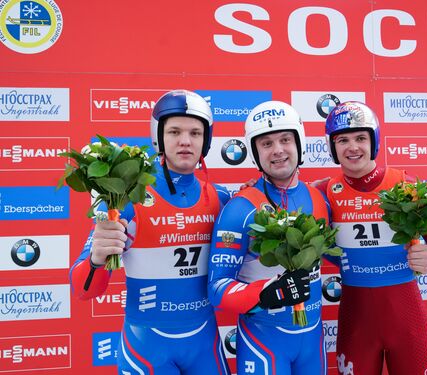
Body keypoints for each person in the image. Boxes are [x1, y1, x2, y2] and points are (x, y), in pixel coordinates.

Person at [69, 90, 231, 374]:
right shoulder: (126, 197)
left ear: (206, 141)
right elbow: (83, 290)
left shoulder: (221, 198)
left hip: (205, 342)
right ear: (158, 136)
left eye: (195, 133)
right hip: (146, 347)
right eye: (174, 131)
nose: (185, 141)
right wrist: (96, 258)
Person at [323, 101, 427, 375]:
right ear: (332, 147)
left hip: (406, 318)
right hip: (356, 320)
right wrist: (255, 184)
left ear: (374, 142)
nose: (352, 147)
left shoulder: (407, 185)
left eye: (361, 138)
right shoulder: (323, 192)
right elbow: (280, 201)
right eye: (343, 140)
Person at [207, 101, 329, 375]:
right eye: (266, 143)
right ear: (254, 152)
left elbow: (343, 255)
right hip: (264, 341)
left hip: (312, 340)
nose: (277, 150)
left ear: (300, 143)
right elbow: (216, 289)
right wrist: (264, 293)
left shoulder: (319, 199)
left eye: (285, 139)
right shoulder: (240, 208)